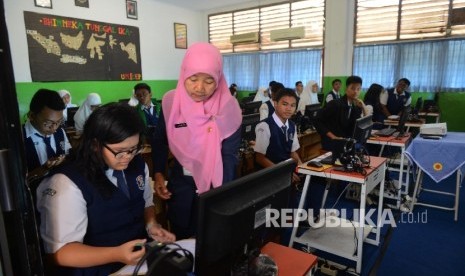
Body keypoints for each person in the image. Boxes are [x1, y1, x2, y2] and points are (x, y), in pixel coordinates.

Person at [36, 103, 174, 275]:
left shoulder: (137, 164)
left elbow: (145, 202)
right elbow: (59, 253)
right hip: (95, 269)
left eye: (134, 149)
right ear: (95, 144)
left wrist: (151, 224)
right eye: (120, 151)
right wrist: (116, 254)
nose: (128, 157)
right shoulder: (66, 184)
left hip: (136, 262)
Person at [152, 42, 242, 239]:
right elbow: (159, 141)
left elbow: (229, 157)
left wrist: (220, 199)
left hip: (214, 188)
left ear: (218, 79)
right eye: (193, 78)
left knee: (211, 244)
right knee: (182, 245)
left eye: (209, 81)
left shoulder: (228, 108)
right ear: (184, 74)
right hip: (181, 189)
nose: (200, 88)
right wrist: (159, 173)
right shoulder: (171, 102)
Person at [254, 88, 302, 183]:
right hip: (269, 175)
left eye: (293, 105)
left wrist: (303, 168)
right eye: (285, 104)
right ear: (275, 104)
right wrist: (283, 173)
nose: (289, 109)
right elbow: (260, 158)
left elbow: (293, 152)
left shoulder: (292, 125)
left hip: (284, 170)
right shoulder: (265, 126)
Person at [23, 89, 71, 179]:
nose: (54, 128)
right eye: (48, 123)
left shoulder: (60, 132)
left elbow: (67, 153)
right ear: (32, 116)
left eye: (59, 122)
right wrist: (44, 169)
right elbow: (15, 181)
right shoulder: (18, 138)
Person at [315, 76, 367, 151]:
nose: (355, 91)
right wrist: (332, 136)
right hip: (332, 141)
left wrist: (363, 107)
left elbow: (362, 125)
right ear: (346, 89)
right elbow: (317, 119)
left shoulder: (355, 106)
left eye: (358, 89)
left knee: (363, 147)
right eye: (352, 88)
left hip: (345, 140)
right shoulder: (335, 104)